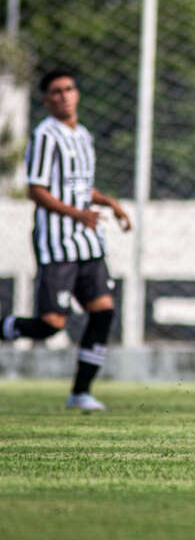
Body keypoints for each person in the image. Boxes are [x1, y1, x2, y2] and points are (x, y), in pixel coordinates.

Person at [0, 69, 132, 410]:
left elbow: (79, 187)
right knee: (50, 326)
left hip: (89, 243)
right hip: (57, 244)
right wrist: (78, 215)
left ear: (77, 94)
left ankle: (80, 392)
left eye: (69, 89)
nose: (64, 95)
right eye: (56, 92)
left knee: (103, 312)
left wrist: (110, 204)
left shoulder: (83, 136)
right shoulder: (45, 135)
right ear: (46, 100)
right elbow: (37, 191)